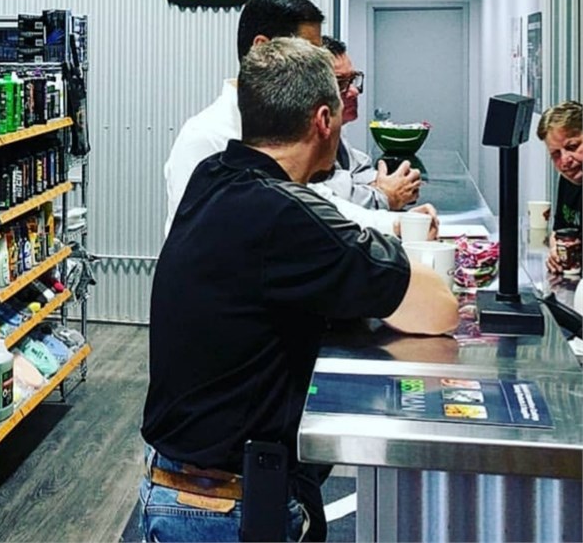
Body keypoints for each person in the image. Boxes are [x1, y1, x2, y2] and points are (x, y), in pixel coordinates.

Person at [141, 38, 458, 542]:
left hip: (181, 486)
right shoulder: (282, 214)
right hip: (226, 509)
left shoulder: (214, 175)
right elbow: (439, 307)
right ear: (323, 121)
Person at [163, 0, 435, 239]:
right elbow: (199, 240)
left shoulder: (290, 122)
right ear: (262, 49)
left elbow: (319, 202)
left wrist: (395, 223)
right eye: (310, 52)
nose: (321, 67)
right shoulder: (206, 136)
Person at [320, 36, 424, 212]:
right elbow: (331, 201)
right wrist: (384, 196)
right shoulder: (306, 138)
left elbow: (357, 170)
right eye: (340, 83)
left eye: (353, 79)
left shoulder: (337, 131)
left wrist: (390, 184)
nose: (354, 91)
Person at [536, 101, 582, 273]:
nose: (565, 161)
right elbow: (559, 231)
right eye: (555, 154)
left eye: (572, 147)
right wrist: (556, 250)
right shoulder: (568, 179)